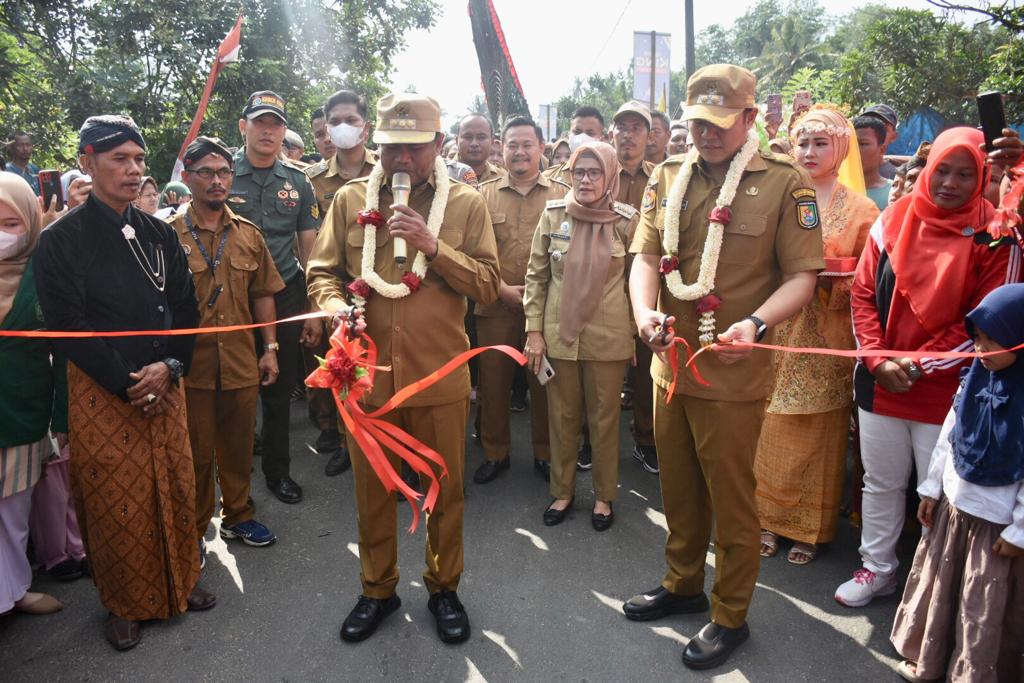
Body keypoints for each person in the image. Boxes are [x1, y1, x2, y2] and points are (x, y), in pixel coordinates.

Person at [624, 64, 823, 670]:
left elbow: (802, 278)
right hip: (670, 365)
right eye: (696, 124)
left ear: (749, 118)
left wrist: (757, 324)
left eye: (719, 123)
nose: (706, 135)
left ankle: (729, 612)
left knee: (732, 500)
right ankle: (683, 583)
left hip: (733, 374)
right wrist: (642, 313)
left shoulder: (785, 184)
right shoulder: (668, 174)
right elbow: (646, 254)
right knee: (678, 488)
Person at [306, 92, 500, 645]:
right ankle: (377, 590)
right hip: (366, 380)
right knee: (371, 494)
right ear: (379, 145)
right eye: (392, 148)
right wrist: (333, 304)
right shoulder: (349, 200)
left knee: (445, 489)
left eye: (415, 148)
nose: (402, 161)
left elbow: (488, 285)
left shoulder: (465, 204)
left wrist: (433, 248)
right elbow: (321, 273)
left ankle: (444, 589)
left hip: (438, 378)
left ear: (438, 144)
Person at [33, 115, 215, 651]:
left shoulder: (160, 231)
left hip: (167, 382)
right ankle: (125, 603)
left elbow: (186, 307)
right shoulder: (61, 239)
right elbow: (65, 326)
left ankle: (183, 582)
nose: (134, 170)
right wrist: (127, 382)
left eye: (139, 160)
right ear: (87, 162)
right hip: (103, 391)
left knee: (177, 485)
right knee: (116, 498)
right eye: (120, 160)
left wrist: (172, 368)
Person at [837, 126, 1021, 609]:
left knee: (939, 491)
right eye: (943, 170)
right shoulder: (892, 219)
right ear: (928, 167)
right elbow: (861, 295)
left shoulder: (995, 234)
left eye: (965, 174)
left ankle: (932, 588)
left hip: (950, 390)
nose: (950, 183)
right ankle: (877, 568)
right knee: (880, 482)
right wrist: (877, 359)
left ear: (982, 175)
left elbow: (985, 322)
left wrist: (916, 367)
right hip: (881, 382)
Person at [754, 107, 879, 565]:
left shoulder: (863, 210)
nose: (809, 152)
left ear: (840, 148)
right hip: (778, 326)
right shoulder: (779, 196)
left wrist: (832, 278)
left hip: (827, 334)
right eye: (802, 142)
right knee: (771, 424)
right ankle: (767, 519)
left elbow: (870, 280)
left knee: (819, 428)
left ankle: (810, 529)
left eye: (820, 143)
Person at [890, 283, 1024, 683]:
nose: (980, 350)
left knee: (980, 605)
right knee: (944, 593)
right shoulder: (974, 381)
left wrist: (1020, 530)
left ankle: (974, 674)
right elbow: (952, 436)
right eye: (977, 339)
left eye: (992, 341)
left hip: (996, 527)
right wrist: (932, 489)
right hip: (955, 513)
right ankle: (932, 661)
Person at [172, 136, 286, 555]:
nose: (217, 181)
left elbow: (263, 294)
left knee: (239, 447)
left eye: (223, 172)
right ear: (188, 178)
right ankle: (196, 527)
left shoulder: (249, 235)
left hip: (240, 360)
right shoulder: (167, 236)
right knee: (196, 452)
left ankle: (238, 516)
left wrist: (270, 348)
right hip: (190, 367)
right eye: (206, 173)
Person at [523, 141, 636, 531]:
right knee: (562, 416)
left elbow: (638, 283)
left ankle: (604, 497)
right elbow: (536, 278)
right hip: (559, 335)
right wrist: (534, 332)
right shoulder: (553, 216)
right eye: (578, 173)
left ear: (609, 177)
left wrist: (637, 333)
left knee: (604, 419)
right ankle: (563, 491)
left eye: (594, 173)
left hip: (608, 336)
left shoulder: (626, 221)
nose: (585, 180)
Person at [230, 90, 322, 504]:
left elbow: (310, 251)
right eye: (260, 123)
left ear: (284, 131)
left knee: (279, 388)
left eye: (276, 124)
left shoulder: (298, 182)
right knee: (230, 389)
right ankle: (231, 478)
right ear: (243, 126)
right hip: (228, 300)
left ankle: (278, 472)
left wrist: (314, 311)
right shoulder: (220, 173)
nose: (268, 131)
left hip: (285, 295)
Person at [474, 116, 570, 486]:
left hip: (547, 309)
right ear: (501, 147)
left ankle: (546, 454)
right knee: (493, 384)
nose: (519, 152)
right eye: (512, 144)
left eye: (527, 144)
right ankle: (495, 452)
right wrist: (499, 288)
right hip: (495, 303)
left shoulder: (562, 193)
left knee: (545, 385)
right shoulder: (483, 193)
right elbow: (471, 250)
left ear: (541, 148)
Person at [0, 172, 65, 617]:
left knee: (12, 511)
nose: (2, 235)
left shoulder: (46, 270)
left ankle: (13, 591)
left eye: (10, 223)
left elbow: (64, 348)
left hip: (20, 408)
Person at [304, 90, 378, 476]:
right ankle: (347, 445)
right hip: (338, 298)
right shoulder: (309, 180)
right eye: (335, 122)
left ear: (366, 127)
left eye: (351, 120)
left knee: (382, 384)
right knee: (342, 376)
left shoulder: (387, 174)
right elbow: (312, 252)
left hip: (384, 294)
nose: (342, 128)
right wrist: (320, 310)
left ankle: (389, 452)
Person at [611, 101, 658, 474]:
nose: (628, 134)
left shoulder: (661, 179)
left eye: (636, 128)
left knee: (644, 372)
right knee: (598, 372)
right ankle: (592, 441)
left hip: (645, 287)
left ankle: (645, 439)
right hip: (599, 289)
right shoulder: (593, 172)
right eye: (621, 127)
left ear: (649, 135)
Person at [544, 106, 606, 185]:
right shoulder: (548, 178)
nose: (582, 138)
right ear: (569, 135)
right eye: (577, 132)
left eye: (589, 133)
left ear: (601, 139)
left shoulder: (613, 177)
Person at [854, 115, 891, 211]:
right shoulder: (836, 191)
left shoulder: (893, 193)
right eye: (851, 144)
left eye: (863, 144)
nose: (855, 150)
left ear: (882, 150)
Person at [457, 113, 505, 184]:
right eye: (468, 137)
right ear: (456, 140)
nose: (474, 144)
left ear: (492, 141)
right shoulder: (441, 174)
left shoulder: (502, 178)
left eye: (481, 137)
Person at [860, 104, 899, 179]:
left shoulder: (896, 178)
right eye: (867, 126)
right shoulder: (840, 168)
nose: (872, 134)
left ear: (894, 137)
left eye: (882, 128)